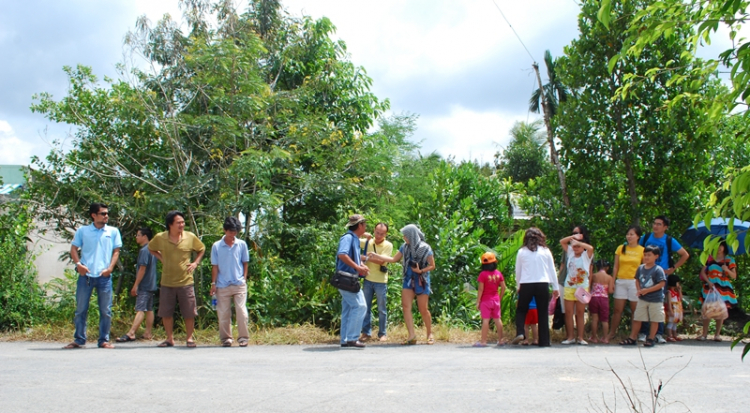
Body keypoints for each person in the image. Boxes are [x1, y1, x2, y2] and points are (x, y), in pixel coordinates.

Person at [64, 203, 123, 349]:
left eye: (107, 213)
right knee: (81, 309)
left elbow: (116, 251)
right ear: (93, 215)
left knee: (105, 310)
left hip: (104, 276)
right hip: (86, 276)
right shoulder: (83, 231)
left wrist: (110, 268)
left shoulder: (113, 231)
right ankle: (79, 339)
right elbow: (73, 249)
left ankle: (103, 339)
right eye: (102, 214)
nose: (106, 216)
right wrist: (79, 265)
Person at [148, 211, 205, 348]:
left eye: (183, 222)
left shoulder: (190, 237)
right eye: (178, 222)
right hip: (167, 281)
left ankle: (190, 338)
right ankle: (169, 339)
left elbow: (201, 249)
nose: (182, 225)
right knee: (166, 311)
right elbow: (151, 248)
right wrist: (162, 258)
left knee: (189, 311)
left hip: (186, 281)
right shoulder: (160, 237)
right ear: (170, 225)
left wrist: (195, 263)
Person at [375, 224, 436, 345]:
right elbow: (393, 259)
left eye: (406, 235)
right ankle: (411, 335)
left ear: (412, 236)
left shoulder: (425, 248)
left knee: (423, 309)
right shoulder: (405, 247)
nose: (404, 237)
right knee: (406, 306)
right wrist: (376, 256)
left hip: (421, 280)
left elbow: (432, 266)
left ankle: (429, 333)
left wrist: (421, 271)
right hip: (408, 279)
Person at [638, 215, 689, 344]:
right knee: (644, 303)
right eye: (654, 223)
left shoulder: (669, 240)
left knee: (659, 304)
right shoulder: (646, 237)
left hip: (661, 275)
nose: (655, 226)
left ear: (665, 227)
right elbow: (638, 251)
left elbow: (685, 254)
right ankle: (643, 332)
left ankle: (658, 334)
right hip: (645, 274)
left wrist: (673, 268)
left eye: (659, 224)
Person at [511, 227, 560, 347]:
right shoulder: (545, 251)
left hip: (526, 283)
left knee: (521, 309)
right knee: (542, 312)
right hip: (542, 283)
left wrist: (518, 285)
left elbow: (518, 270)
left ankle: (521, 332)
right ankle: (544, 341)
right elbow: (552, 269)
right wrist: (555, 287)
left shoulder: (522, 251)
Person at [210, 217, 251, 347]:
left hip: (239, 283)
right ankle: (226, 338)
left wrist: (244, 278)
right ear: (224, 230)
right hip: (222, 284)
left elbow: (245, 262)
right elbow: (214, 266)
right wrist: (213, 283)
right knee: (223, 313)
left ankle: (243, 337)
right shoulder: (216, 246)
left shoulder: (242, 244)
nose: (232, 234)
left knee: (242, 311)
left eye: (235, 232)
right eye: (230, 232)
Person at [619, 245, 666, 347]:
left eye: (649, 255)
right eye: (645, 255)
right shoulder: (640, 268)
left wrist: (647, 290)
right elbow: (637, 279)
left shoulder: (658, 269)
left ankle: (651, 338)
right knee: (637, 318)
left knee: (654, 319)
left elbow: (661, 284)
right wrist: (639, 290)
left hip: (655, 299)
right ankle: (632, 337)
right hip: (642, 298)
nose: (646, 257)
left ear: (656, 256)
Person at [117, 227, 158, 343]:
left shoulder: (145, 250)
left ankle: (131, 333)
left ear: (144, 236)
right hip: (152, 284)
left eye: (138, 235)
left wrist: (135, 285)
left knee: (140, 309)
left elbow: (142, 269)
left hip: (144, 284)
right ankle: (148, 333)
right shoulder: (153, 249)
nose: (136, 237)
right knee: (149, 309)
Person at [336, 214, 369, 348]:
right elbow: (342, 254)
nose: (366, 227)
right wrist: (357, 267)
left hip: (350, 277)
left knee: (349, 309)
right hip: (346, 278)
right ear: (360, 225)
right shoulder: (348, 238)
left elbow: (351, 256)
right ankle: (352, 338)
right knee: (360, 306)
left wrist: (361, 263)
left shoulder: (355, 239)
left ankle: (345, 339)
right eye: (365, 224)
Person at [606, 225, 644, 342]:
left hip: (634, 282)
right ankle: (612, 333)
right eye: (628, 234)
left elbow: (643, 268)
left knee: (635, 310)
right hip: (621, 281)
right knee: (617, 310)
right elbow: (616, 266)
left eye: (632, 234)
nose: (629, 236)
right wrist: (612, 282)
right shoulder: (621, 248)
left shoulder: (642, 250)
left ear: (638, 236)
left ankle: (633, 335)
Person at [358, 222, 393, 342]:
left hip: (381, 281)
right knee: (365, 307)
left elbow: (382, 262)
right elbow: (352, 239)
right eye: (377, 232)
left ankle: (382, 333)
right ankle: (366, 333)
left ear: (386, 234)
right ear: (374, 231)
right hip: (367, 279)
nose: (378, 235)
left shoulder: (388, 245)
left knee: (381, 308)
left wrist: (366, 257)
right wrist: (363, 234)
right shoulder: (368, 241)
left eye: (382, 234)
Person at [560, 232, 595, 345]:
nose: (575, 248)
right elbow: (562, 242)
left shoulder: (586, 255)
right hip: (569, 287)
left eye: (578, 246)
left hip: (582, 287)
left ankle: (580, 337)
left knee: (580, 313)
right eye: (574, 246)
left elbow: (590, 248)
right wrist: (572, 238)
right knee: (569, 312)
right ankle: (570, 337)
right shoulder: (570, 253)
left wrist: (579, 242)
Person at [698, 241, 736, 341]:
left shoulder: (729, 260)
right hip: (710, 285)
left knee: (720, 310)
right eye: (717, 246)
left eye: (721, 246)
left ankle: (717, 334)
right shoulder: (709, 258)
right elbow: (703, 271)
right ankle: (704, 334)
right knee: (707, 308)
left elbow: (734, 276)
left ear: (724, 247)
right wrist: (708, 282)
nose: (719, 248)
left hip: (723, 286)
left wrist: (726, 269)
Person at [474, 252, 506, 347]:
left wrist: (478, 301)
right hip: (495, 300)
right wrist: (499, 298)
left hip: (485, 301)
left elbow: (480, 289)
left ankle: (483, 341)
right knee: (498, 320)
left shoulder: (483, 274)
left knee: (485, 320)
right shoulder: (498, 274)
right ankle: (500, 340)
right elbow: (503, 287)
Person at [588, 259, 614, 344]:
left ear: (597, 267)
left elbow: (589, 286)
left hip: (594, 298)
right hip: (604, 299)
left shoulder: (594, 275)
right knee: (605, 320)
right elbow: (610, 291)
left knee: (595, 319)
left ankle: (594, 337)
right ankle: (605, 338)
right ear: (607, 268)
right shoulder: (609, 277)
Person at [666, 275, 684, 342]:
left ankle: (675, 335)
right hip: (673, 308)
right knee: (671, 322)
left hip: (678, 308)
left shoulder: (676, 292)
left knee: (675, 323)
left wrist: (680, 290)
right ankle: (669, 335)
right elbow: (669, 302)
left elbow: (681, 298)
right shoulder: (669, 292)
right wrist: (670, 310)